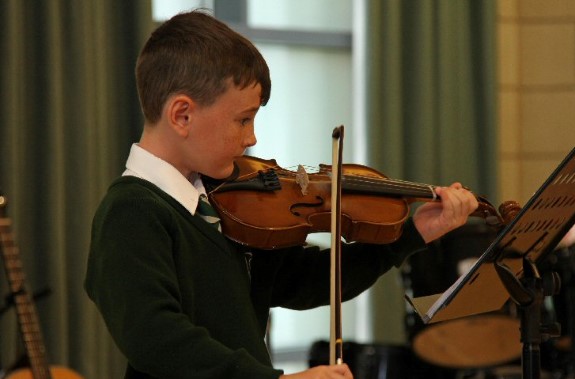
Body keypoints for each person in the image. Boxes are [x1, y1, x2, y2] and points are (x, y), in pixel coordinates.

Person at [84, 10, 478, 379]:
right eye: (242, 119)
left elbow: (308, 281)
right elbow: (157, 338)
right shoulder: (132, 211)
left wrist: (412, 235)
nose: (252, 137)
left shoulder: (222, 205)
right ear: (182, 115)